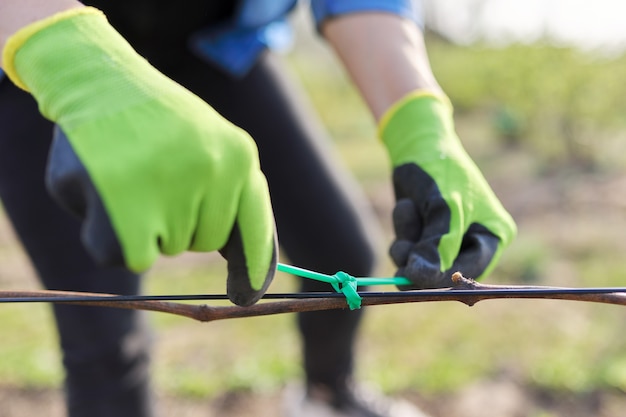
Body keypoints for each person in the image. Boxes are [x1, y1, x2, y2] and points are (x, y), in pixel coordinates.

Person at [0, 1, 517, 417]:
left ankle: (327, 395)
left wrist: (420, 123)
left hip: (212, 46)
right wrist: (70, 59)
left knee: (341, 252)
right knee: (104, 333)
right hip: (37, 51)